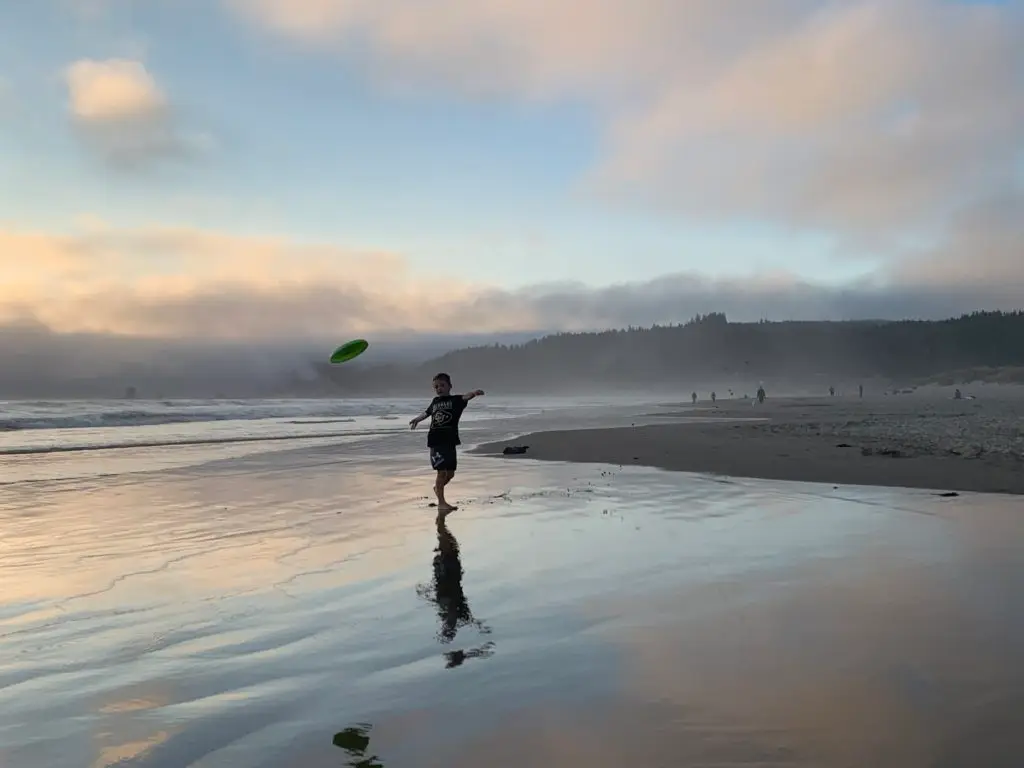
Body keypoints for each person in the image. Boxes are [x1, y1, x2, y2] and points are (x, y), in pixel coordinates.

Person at [409, 373, 484, 513]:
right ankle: (442, 503)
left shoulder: (455, 400)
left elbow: (465, 396)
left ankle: (438, 488)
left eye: (442, 385)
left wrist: (474, 393)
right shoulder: (435, 401)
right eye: (436, 387)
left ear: (450, 386)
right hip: (436, 440)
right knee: (441, 473)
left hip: (450, 441)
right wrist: (417, 419)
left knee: (450, 474)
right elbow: (426, 413)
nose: (439, 388)